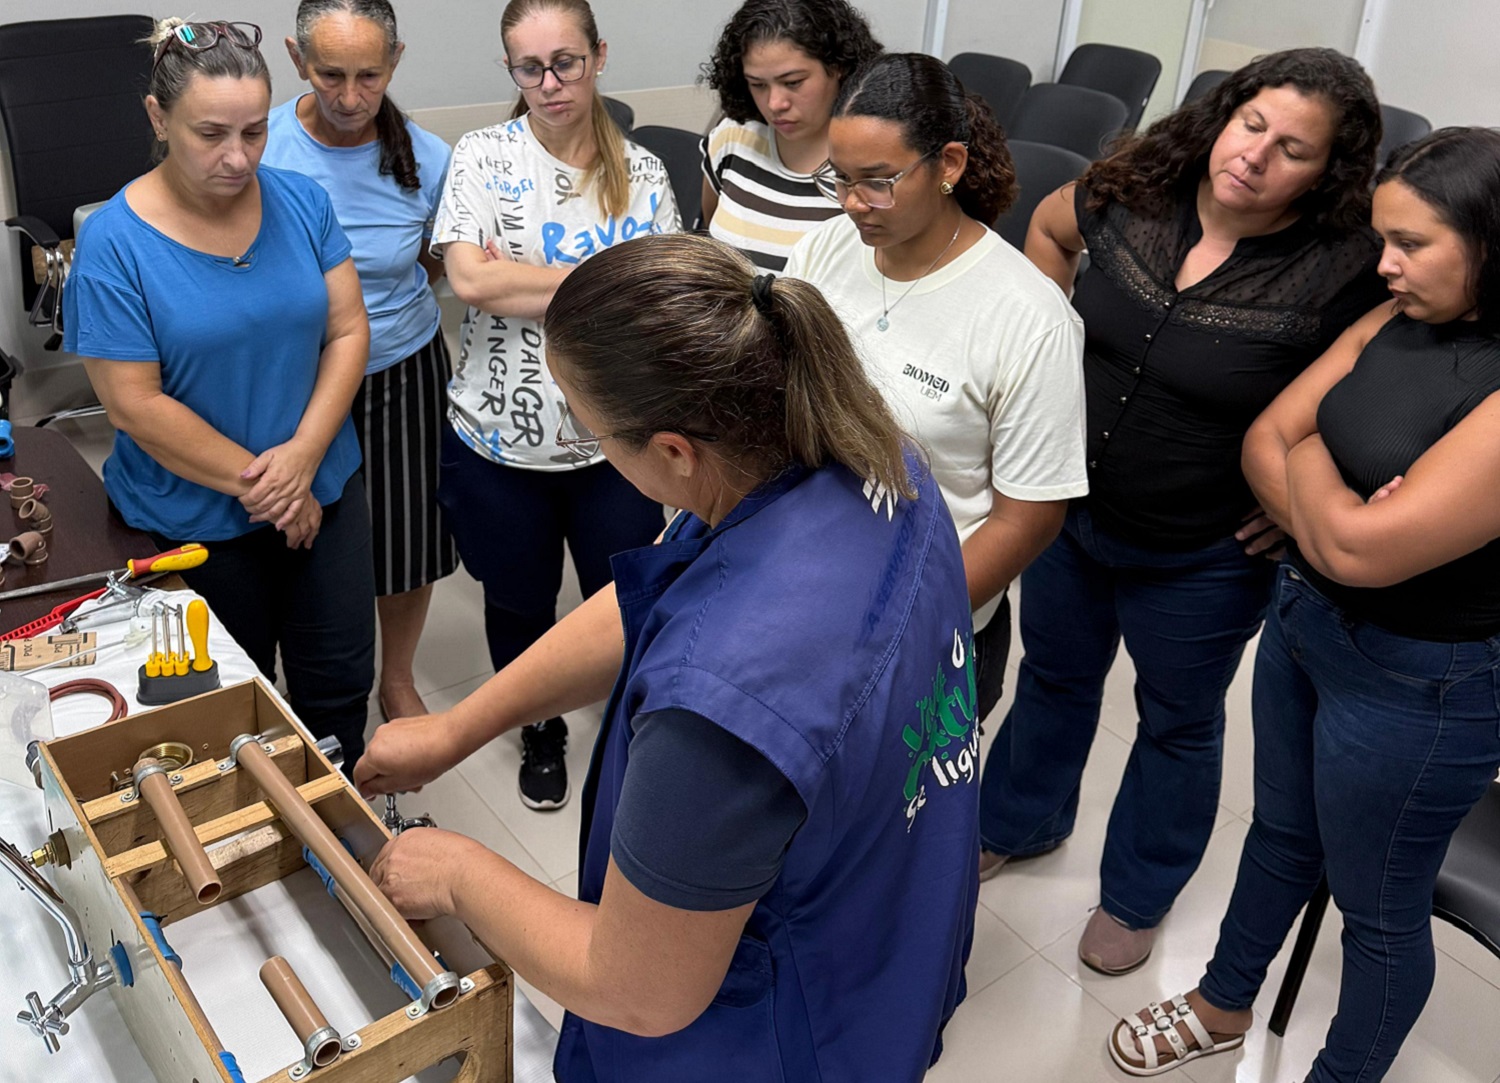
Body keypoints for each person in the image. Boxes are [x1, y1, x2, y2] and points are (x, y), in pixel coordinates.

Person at [355, 233, 979, 1082]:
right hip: (882, 933)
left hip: (772, 1039)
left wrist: (461, 871)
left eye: (591, 427)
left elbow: (640, 987)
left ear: (673, 451)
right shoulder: (863, 452)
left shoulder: (718, 709)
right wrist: (460, 726)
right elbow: (667, 584)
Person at [977, 48, 1390, 975]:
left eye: (1293, 149)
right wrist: (1036, 366)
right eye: (1252, 125)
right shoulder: (1133, 185)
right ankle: (1017, 821)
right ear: (1223, 115)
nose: (1256, 155)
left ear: (1329, 171)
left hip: (1206, 547)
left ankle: (1136, 893)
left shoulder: (1346, 268)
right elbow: (1047, 228)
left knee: (1177, 718)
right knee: (1054, 678)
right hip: (1066, 510)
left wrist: (1301, 497)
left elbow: (1377, 392)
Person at [1109, 126, 1500, 1083]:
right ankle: (1220, 1003)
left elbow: (1359, 548)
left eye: (1411, 244)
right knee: (1280, 833)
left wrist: (1313, 459)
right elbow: (1265, 437)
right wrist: (1330, 487)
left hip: (1420, 681)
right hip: (1303, 624)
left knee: (1378, 909)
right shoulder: (1400, 318)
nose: (1384, 265)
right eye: (1381, 239)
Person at [64, 18, 374, 764]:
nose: (238, 157)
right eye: (211, 134)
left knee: (336, 684)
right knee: (226, 705)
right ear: (157, 117)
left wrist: (302, 460)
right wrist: (272, 489)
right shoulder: (115, 242)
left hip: (323, 494)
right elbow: (135, 404)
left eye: (255, 132)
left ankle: (346, 834)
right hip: (195, 522)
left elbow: (348, 331)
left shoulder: (300, 202)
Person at [786, 52, 1087, 727]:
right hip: (811, 587)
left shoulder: (1028, 317)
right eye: (839, 179)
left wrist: (896, 623)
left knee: (901, 817)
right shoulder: (824, 252)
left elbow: (1028, 517)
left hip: (931, 620)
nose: (852, 203)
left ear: (949, 164)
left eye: (878, 181)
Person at [431, 0, 679, 811]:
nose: (548, 83)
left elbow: (661, 300)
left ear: (599, 56)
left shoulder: (642, 173)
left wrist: (521, 279)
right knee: (518, 600)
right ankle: (541, 724)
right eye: (527, 68)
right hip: (498, 443)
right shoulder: (481, 156)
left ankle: (636, 720)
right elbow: (469, 281)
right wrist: (608, 277)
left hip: (619, 441)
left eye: (564, 62)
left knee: (627, 597)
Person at [263, 0, 457, 723]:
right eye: (330, 74)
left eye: (369, 76)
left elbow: (433, 261)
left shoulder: (430, 159)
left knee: (406, 537)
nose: (350, 97)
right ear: (295, 60)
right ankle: (286, 672)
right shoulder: (264, 145)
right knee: (292, 526)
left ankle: (397, 676)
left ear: (396, 62)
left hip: (400, 368)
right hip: (292, 377)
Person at [698, 0, 882, 270]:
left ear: (839, 66)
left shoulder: (872, 160)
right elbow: (708, 231)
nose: (775, 103)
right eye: (758, 85)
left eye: (793, 82)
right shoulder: (733, 138)